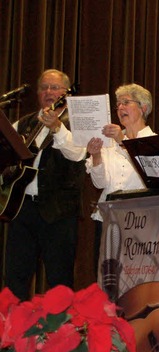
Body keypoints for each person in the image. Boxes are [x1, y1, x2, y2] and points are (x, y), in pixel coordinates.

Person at [3, 69, 86, 300]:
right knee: (15, 277)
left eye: (55, 87)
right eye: (44, 87)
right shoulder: (25, 122)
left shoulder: (76, 121)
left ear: (66, 93)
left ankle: (62, 333)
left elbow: (78, 154)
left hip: (59, 211)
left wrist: (58, 128)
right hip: (22, 209)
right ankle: (12, 331)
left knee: (60, 280)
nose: (49, 92)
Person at [85, 84, 156, 265]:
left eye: (126, 102)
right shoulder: (108, 143)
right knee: (105, 277)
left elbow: (146, 170)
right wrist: (96, 155)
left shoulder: (154, 141)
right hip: (107, 218)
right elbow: (100, 183)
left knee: (133, 278)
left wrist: (122, 141)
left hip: (139, 221)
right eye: (118, 104)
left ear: (143, 108)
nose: (121, 108)